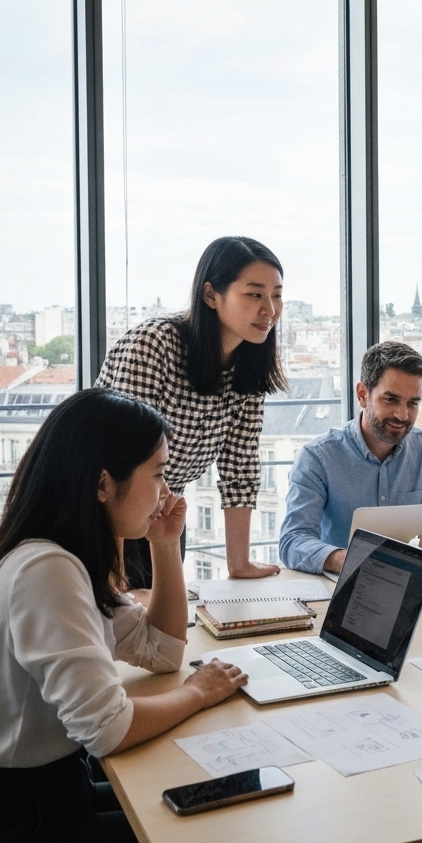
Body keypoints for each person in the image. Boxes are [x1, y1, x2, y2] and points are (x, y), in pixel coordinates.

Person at [0, 389, 247, 843]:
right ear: (103, 482)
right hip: (17, 831)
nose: (166, 492)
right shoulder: (45, 570)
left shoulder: (65, 557)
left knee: (208, 801)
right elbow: (106, 728)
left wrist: (164, 546)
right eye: (159, 474)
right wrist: (198, 692)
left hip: (49, 793)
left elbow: (161, 651)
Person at [97, 236, 286, 588]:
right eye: (255, 294)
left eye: (277, 295)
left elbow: (240, 466)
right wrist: (115, 569)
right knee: (121, 625)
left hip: (163, 510)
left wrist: (239, 563)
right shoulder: (155, 344)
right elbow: (119, 460)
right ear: (211, 295)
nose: (270, 310)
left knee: (161, 629)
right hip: (103, 513)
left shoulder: (249, 363)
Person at [279, 340, 422, 575]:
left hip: (412, 582)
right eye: (391, 399)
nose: (402, 415)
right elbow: (293, 540)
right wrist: (348, 559)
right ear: (363, 395)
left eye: (413, 403)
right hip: (341, 587)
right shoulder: (317, 458)